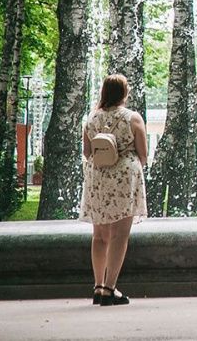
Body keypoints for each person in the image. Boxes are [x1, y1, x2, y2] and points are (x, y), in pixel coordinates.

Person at [79, 74, 148, 306]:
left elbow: (87, 152)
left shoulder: (91, 118)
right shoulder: (132, 118)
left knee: (99, 235)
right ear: (124, 93)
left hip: (97, 177)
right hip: (124, 177)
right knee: (120, 234)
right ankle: (110, 288)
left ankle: (98, 286)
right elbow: (143, 153)